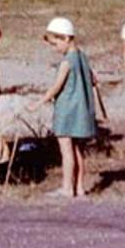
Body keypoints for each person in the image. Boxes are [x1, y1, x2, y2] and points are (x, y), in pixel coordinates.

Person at [27, 17, 96, 198]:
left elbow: (56, 87)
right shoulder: (82, 56)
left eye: (56, 43)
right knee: (78, 151)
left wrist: (39, 102)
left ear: (66, 38)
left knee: (66, 152)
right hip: (82, 111)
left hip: (67, 111)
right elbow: (93, 79)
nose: (55, 48)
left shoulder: (66, 62)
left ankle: (66, 188)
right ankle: (79, 188)